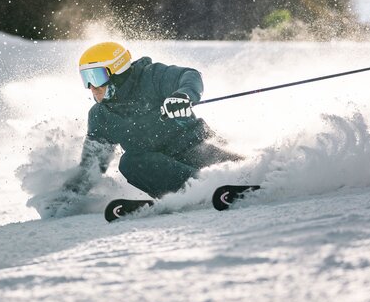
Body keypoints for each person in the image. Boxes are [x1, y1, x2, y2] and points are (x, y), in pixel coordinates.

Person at [64, 41, 241, 198]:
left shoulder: (151, 76)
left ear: (117, 71)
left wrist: (183, 95)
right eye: (86, 79)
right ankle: (201, 190)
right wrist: (64, 200)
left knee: (239, 171)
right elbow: (91, 167)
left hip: (196, 146)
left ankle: (234, 180)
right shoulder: (100, 115)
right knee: (130, 163)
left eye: (96, 77)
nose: (92, 87)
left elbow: (189, 75)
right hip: (164, 168)